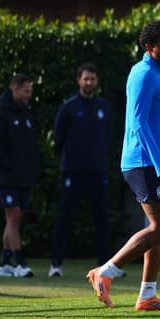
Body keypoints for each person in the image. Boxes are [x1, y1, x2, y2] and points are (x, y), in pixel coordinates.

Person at [87, 20, 160, 311]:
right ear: (149, 48)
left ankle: (147, 295)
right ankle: (105, 272)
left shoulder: (158, 74)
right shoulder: (143, 74)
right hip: (144, 162)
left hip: (155, 162)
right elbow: (138, 124)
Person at [49, 63, 114, 277]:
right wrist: (69, 162)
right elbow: (58, 141)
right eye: (85, 79)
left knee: (102, 218)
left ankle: (106, 267)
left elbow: (109, 138)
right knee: (64, 217)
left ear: (97, 81)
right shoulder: (68, 107)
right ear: (78, 80)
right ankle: (56, 265)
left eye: (92, 79)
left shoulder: (104, 107)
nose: (89, 83)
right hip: (73, 172)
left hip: (97, 172)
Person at [0, 74, 39, 278]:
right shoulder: (0, 115)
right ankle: (19, 262)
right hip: (5, 177)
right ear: (14, 88)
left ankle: (5, 263)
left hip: (22, 178)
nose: (28, 96)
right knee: (13, 216)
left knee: (13, 219)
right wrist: (8, 166)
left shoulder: (25, 115)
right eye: (26, 91)